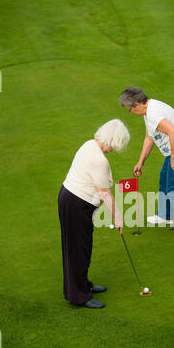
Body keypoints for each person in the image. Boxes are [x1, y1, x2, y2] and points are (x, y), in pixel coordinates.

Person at [58, 119, 130, 309]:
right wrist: (119, 217)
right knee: (77, 250)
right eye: (116, 145)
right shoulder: (99, 160)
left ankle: (83, 285)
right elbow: (104, 193)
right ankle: (79, 296)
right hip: (76, 204)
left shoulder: (89, 144)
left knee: (82, 247)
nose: (114, 149)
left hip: (71, 199)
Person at [119, 87, 174, 242]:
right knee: (164, 177)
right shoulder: (148, 111)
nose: (130, 113)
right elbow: (149, 138)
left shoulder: (153, 113)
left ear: (137, 104)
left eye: (129, 109)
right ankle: (166, 215)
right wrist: (140, 162)